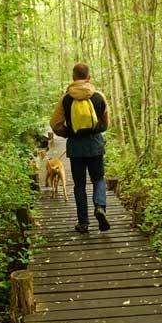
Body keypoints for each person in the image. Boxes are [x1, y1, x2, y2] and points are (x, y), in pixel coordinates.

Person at [50, 63, 111, 233]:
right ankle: (100, 207)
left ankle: (83, 222)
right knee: (98, 179)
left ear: (73, 78)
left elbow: (54, 124)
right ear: (88, 77)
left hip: (76, 147)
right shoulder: (99, 96)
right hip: (95, 145)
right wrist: (95, 130)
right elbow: (106, 123)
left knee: (79, 185)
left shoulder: (66, 99)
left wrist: (68, 133)